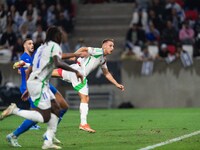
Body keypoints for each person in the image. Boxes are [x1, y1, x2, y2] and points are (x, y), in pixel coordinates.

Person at [0, 26, 83, 149]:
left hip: (40, 83)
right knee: (43, 116)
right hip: (39, 84)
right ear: (56, 36)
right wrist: (75, 71)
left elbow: (30, 70)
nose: (62, 37)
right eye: (60, 35)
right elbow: (57, 62)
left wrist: (28, 88)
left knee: (58, 108)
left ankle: (48, 139)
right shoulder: (53, 47)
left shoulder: (41, 48)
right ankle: (14, 113)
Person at [52, 38, 125, 133]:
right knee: (85, 98)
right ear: (104, 46)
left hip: (72, 70)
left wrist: (117, 84)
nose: (112, 48)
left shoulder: (102, 59)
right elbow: (84, 48)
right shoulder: (98, 51)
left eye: (113, 46)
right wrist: (74, 55)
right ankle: (83, 124)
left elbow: (106, 73)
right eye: (110, 45)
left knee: (49, 73)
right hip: (79, 74)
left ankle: (31, 69)